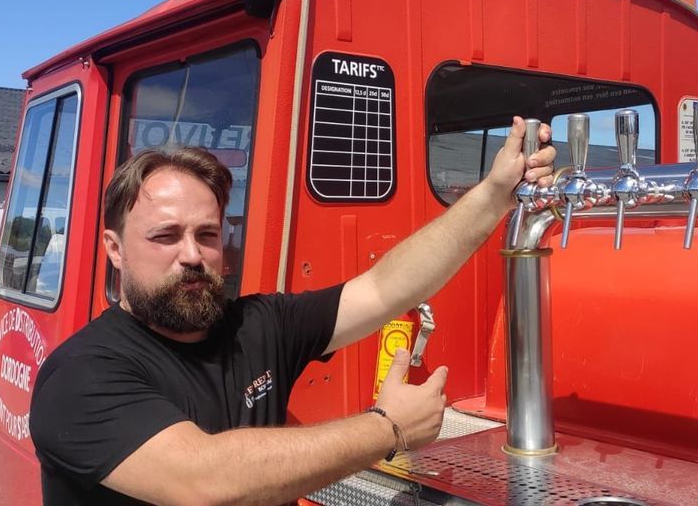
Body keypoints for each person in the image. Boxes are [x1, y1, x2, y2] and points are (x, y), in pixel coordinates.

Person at [29, 117, 555, 505]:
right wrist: (389, 428)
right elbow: (203, 480)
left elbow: (383, 288)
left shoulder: (257, 325)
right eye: (165, 236)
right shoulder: (81, 375)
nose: (192, 255)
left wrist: (492, 196)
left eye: (207, 234)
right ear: (114, 249)